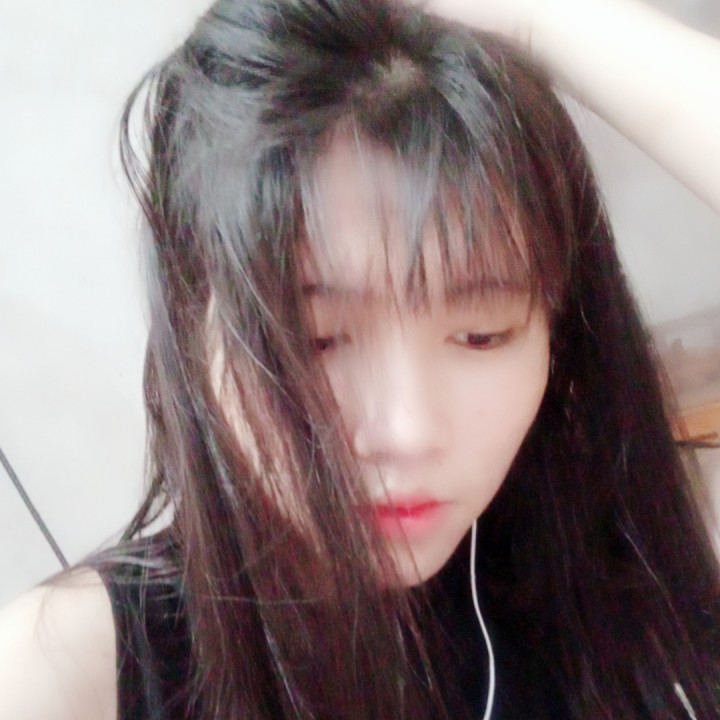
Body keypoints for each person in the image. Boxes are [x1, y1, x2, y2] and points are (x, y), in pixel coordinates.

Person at [1, 1, 719, 719]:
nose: (409, 431)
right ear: (192, 328)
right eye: (315, 340)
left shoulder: (604, 551)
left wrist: (541, 17)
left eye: (482, 335)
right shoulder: (65, 671)